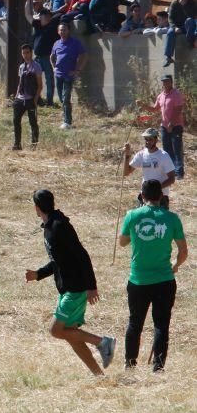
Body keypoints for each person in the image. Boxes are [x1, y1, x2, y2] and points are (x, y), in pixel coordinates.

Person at [24, 189, 116, 376]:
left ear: (36, 207)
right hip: (67, 287)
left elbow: (82, 255)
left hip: (76, 287)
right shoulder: (50, 226)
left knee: (56, 330)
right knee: (70, 334)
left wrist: (91, 286)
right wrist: (38, 274)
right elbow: (59, 260)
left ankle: (103, 342)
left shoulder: (59, 226)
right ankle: (99, 376)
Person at [118, 179, 188, 372]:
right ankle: (158, 367)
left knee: (135, 322)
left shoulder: (132, 215)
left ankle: (130, 363)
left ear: (142, 196)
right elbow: (183, 251)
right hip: (164, 280)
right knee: (161, 324)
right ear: (161, 197)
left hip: (138, 280)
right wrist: (175, 265)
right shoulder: (172, 219)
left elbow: (122, 242)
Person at [136, 74, 186, 180]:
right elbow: (154, 109)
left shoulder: (176, 94)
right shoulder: (161, 96)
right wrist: (143, 105)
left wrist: (171, 123)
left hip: (175, 126)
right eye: (163, 81)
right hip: (164, 126)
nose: (165, 83)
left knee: (177, 149)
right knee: (167, 150)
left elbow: (178, 109)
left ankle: (179, 173)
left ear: (171, 82)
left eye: (167, 81)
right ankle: (171, 171)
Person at [123, 128, 176, 207]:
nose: (148, 142)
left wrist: (156, 189)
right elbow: (126, 173)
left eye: (150, 139)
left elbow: (171, 179)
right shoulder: (141, 154)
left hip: (160, 196)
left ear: (156, 140)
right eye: (146, 139)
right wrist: (127, 156)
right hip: (145, 196)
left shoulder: (163, 156)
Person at [50, 23, 87, 129]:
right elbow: (52, 56)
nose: (62, 32)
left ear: (68, 31)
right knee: (62, 99)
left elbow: (84, 55)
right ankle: (65, 116)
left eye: (64, 30)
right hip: (58, 74)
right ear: (58, 32)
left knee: (66, 98)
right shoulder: (56, 43)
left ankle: (67, 122)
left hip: (68, 75)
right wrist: (54, 67)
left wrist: (78, 70)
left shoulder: (75, 43)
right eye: (61, 30)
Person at [12, 44, 43, 150]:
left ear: (31, 53)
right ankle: (17, 144)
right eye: (23, 53)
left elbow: (40, 86)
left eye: (27, 52)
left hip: (30, 99)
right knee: (16, 121)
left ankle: (34, 145)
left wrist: (35, 99)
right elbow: (20, 83)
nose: (25, 55)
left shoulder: (36, 66)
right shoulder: (21, 67)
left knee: (33, 122)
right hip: (20, 99)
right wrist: (16, 97)